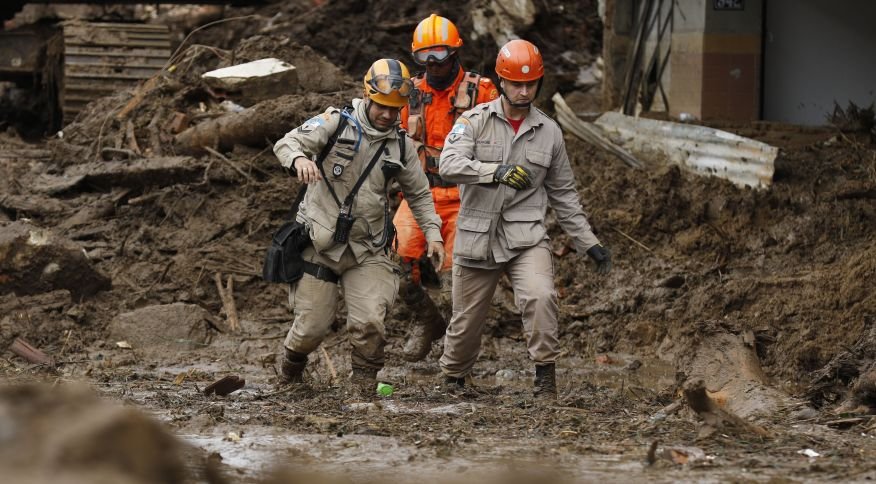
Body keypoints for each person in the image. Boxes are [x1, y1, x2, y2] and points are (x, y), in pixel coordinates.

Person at [437, 39, 612, 400]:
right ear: (501, 81)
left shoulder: (549, 132)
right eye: (516, 83)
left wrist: (588, 242)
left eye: (530, 84)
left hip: (526, 235)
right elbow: (448, 165)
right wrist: (493, 171)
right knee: (466, 320)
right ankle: (453, 379)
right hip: (477, 234)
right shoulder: (473, 122)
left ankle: (545, 379)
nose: (523, 90)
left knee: (541, 296)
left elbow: (564, 194)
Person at [273, 58, 444, 392]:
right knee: (311, 327)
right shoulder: (335, 123)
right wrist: (299, 159)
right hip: (319, 245)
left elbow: (420, 195)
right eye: (381, 106)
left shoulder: (402, 146)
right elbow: (287, 142)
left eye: (395, 109)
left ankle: (363, 385)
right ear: (367, 96)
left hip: (368, 247)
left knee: (370, 321)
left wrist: (434, 235)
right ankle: (290, 373)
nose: (387, 115)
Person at [393, 14, 499, 362]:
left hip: (466, 195)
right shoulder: (410, 94)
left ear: (455, 53)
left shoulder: (482, 91)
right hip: (420, 193)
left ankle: (459, 352)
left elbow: (501, 142)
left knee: (461, 279)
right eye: (425, 57)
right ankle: (427, 321)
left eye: (439, 54)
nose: (433, 64)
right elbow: (393, 143)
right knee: (395, 260)